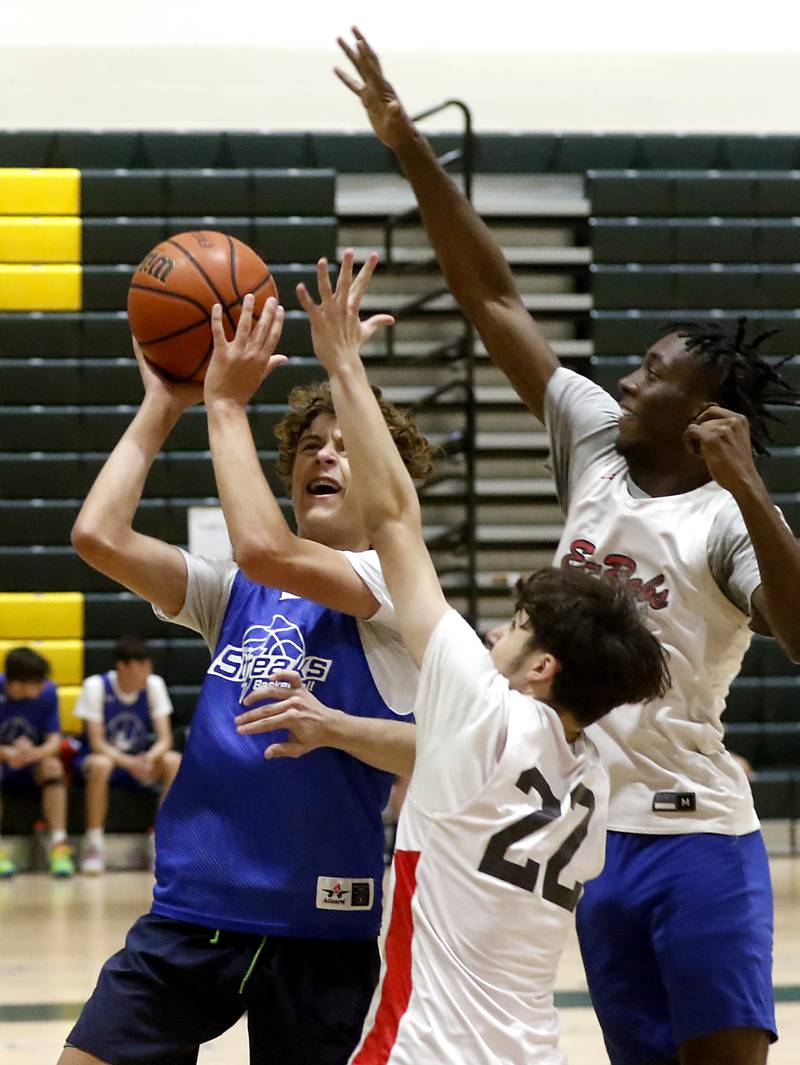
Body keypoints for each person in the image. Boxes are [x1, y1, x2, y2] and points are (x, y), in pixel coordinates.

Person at [335, 29, 800, 1065]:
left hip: (695, 833)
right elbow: (493, 297)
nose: (627, 381)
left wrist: (757, 494)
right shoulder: (593, 439)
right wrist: (407, 143)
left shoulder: (725, 520)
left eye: (651, 369)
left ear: (702, 407)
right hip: (581, 819)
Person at [241, 250, 667, 1064]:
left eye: (513, 627)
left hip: (423, 1047)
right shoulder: (592, 775)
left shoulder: (479, 702)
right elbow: (438, 758)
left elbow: (396, 515)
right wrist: (336, 726)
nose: (493, 637)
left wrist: (343, 365)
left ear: (541, 667)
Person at [61, 276, 423, 1065]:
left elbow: (266, 545)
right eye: (310, 444)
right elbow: (98, 534)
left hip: (321, 928)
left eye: (347, 446)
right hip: (194, 909)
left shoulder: (394, 587)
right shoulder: (238, 594)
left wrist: (226, 404)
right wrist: (166, 401)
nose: (324, 454)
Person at [72, 635, 181, 875]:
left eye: (147, 665)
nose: (146, 671)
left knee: (174, 760)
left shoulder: (154, 685)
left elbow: (165, 739)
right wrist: (129, 762)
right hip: (101, 760)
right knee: (101, 764)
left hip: (137, 761)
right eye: (140, 666)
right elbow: (97, 742)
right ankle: (93, 845)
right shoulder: (96, 686)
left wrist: (149, 758)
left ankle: (159, 842)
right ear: (122, 667)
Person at [0, 646, 74, 878]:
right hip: (4, 762)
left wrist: (31, 754)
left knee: (53, 766)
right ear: (17, 684)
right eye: (37, 682)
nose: (42, 686)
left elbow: (54, 742)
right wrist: (9, 754)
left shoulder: (48, 693)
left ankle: (59, 846)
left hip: (32, 763)